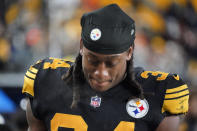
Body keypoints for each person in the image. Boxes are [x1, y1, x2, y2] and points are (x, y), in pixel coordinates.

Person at [22, 4, 189, 131]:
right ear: (81, 47)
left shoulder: (158, 93)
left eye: (111, 63)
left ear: (129, 52)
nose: (100, 72)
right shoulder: (46, 80)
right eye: (92, 60)